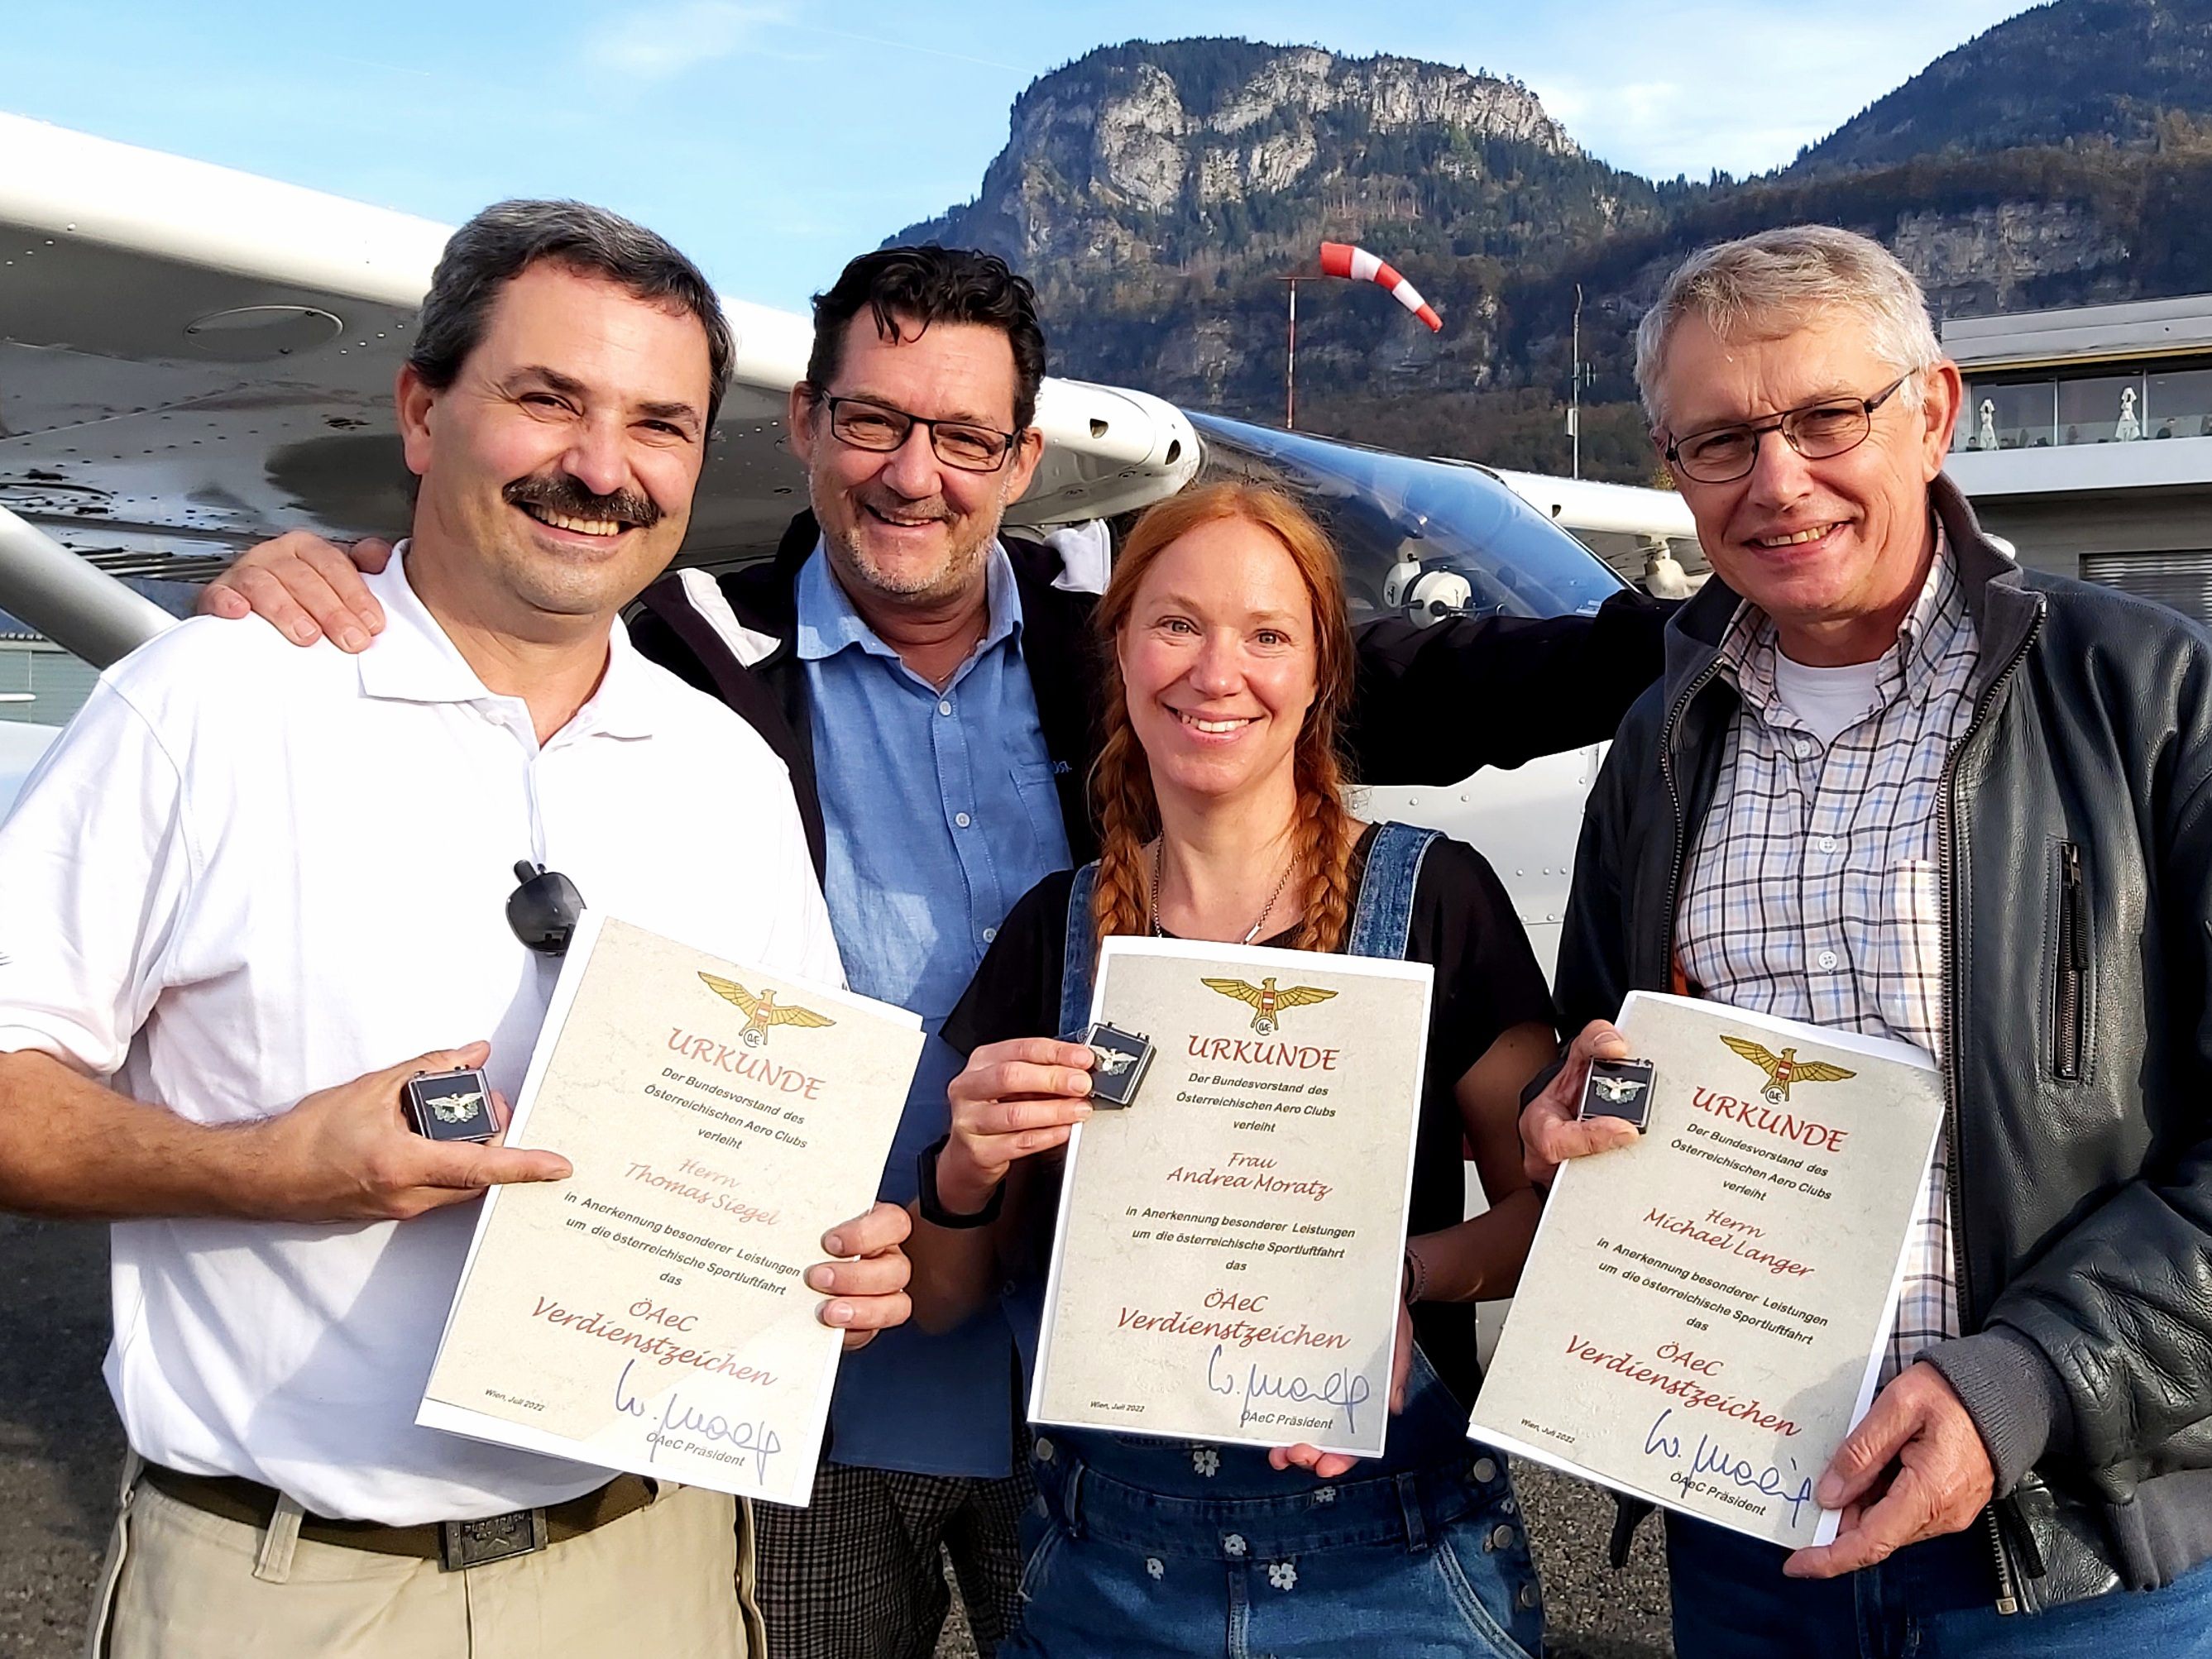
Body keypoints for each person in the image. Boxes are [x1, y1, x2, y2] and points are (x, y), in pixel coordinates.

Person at [199, 244, 1672, 1659]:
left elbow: (1421, 675)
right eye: (876, 423)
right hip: (813, 1378)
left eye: (966, 436)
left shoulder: (1113, 640)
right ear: (807, 428)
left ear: (1022, 459)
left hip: (1102, 1406)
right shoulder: (678, 655)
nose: (918, 473)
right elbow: (490, 614)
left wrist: (1724, 613)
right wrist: (336, 588)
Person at [0, 200, 911, 1659]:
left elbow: (782, 1145)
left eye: (657, 425)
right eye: (548, 399)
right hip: (288, 1587)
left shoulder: (727, 773)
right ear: (423, 411)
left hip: (651, 1569)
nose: (600, 469)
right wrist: (260, 1170)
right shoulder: (209, 707)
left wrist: (840, 1257)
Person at [1520, 224, 2212, 1656]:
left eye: (1826, 416)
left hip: (2068, 1554)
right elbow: (1594, 1048)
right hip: (1739, 1533)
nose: (1777, 480)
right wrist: (1570, 1114)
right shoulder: (1657, 743)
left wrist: (2023, 1384)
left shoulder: (2144, 693)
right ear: (1672, 464)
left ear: (1934, 411)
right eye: (1719, 440)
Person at [910, 481, 1558, 1657]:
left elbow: (1551, 1214)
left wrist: (1402, 1276)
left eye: (1267, 634)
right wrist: (963, 1170)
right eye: (1176, 624)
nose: (1218, 671)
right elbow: (943, 1294)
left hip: (1393, 1570)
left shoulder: (1433, 900)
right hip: (1104, 1577)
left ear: (1320, 673)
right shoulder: (1049, 932)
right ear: (1119, 652)